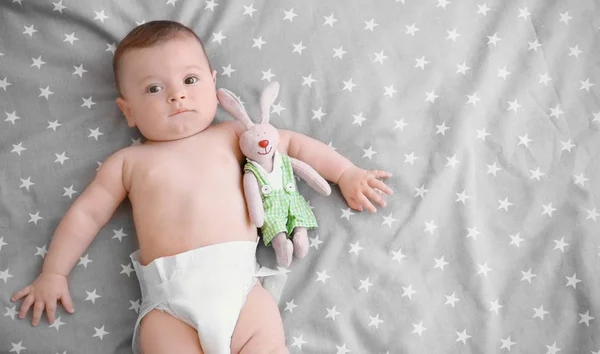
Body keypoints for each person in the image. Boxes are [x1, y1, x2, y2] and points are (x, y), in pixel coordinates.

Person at [10, 20, 394, 354]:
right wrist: (54, 273)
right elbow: (87, 213)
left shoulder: (233, 136)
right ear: (127, 111)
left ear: (214, 85)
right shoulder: (128, 164)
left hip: (241, 290)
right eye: (153, 89)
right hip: (169, 304)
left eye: (190, 80)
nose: (176, 95)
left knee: (267, 343)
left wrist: (345, 173)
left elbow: (291, 144)